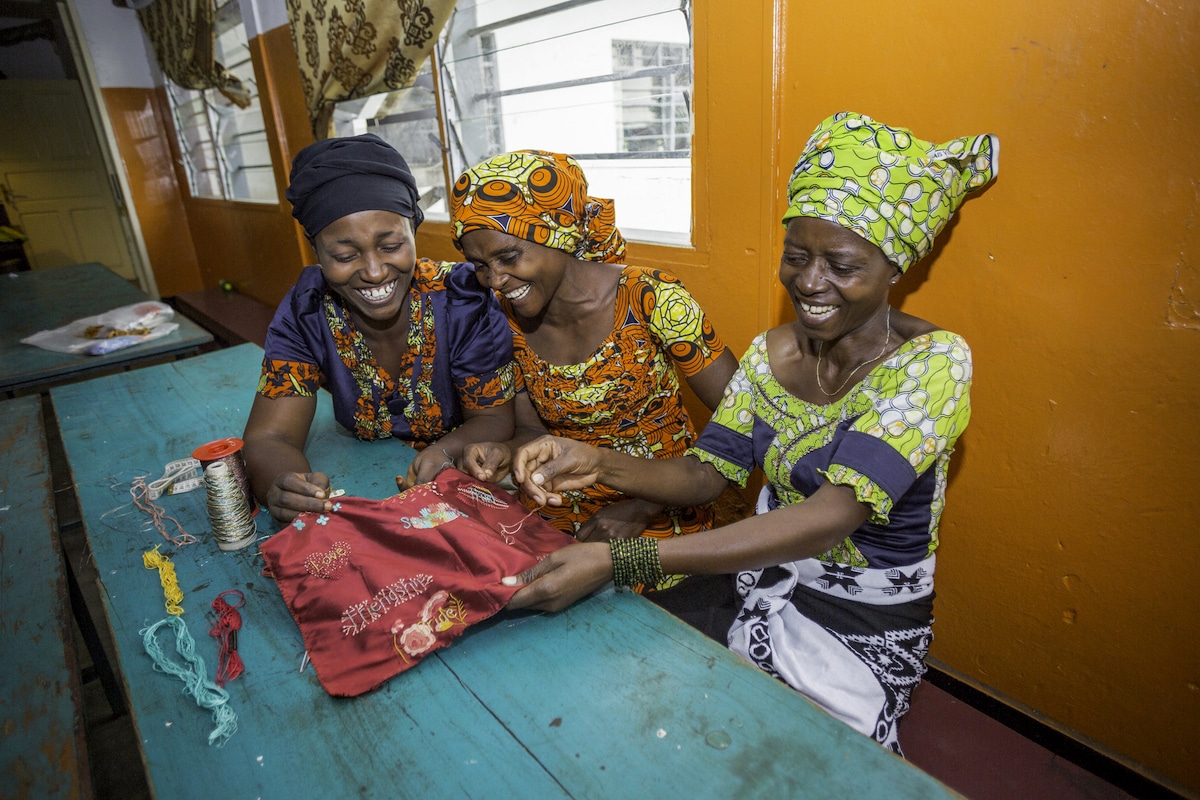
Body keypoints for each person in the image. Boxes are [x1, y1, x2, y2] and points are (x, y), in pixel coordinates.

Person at [501, 112, 999, 753]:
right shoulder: (771, 355)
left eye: (841, 265)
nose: (810, 283)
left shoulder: (933, 364)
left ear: (893, 267)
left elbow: (829, 517)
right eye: (796, 258)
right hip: (754, 578)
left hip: (861, 624)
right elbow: (706, 474)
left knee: (783, 762)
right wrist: (595, 460)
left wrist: (620, 559)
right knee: (620, 705)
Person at [448, 150, 738, 590]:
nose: (496, 280)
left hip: (660, 511)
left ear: (559, 235)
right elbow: (530, 430)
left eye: (509, 257)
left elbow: (742, 427)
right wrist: (506, 453)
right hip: (562, 511)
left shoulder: (650, 299)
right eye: (481, 266)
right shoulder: (504, 320)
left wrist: (640, 507)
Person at [243, 134, 516, 524]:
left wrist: (445, 452)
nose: (374, 272)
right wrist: (283, 485)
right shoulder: (306, 311)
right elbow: (271, 437)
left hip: (467, 484)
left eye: (390, 246)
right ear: (316, 251)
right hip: (367, 485)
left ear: (413, 231)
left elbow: (493, 418)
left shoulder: (462, 301)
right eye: (345, 255)